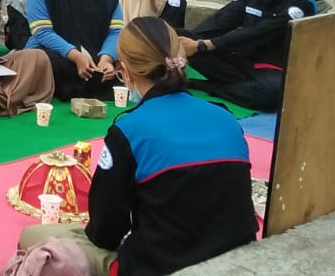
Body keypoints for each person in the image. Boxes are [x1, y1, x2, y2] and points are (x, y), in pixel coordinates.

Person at [17, 17, 257, 276]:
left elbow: (104, 233)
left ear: (127, 72)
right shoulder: (227, 119)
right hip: (235, 261)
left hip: (158, 265)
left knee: (34, 237)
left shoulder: (130, 131)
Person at [182, 0, 315, 112]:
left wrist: (204, 45)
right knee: (179, 36)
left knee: (270, 94)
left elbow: (259, 32)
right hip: (238, 64)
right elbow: (221, 20)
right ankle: (234, 86)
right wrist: (191, 42)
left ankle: (208, 86)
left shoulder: (300, 2)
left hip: (274, 70)